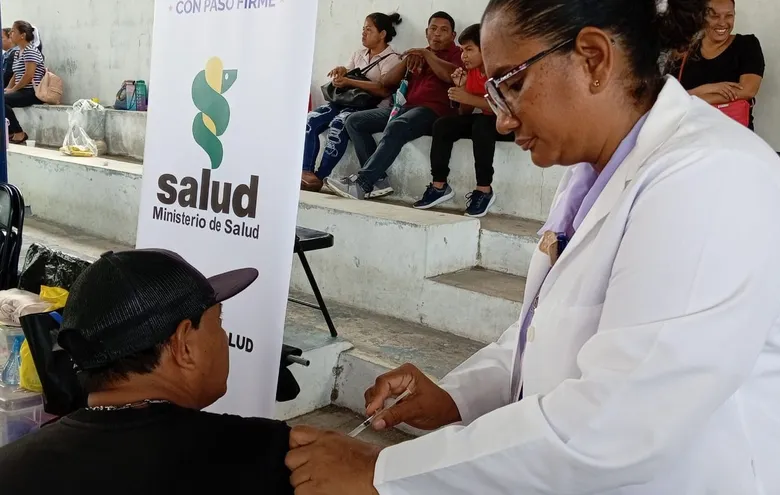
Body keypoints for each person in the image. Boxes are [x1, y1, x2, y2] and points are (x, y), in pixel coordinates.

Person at [284, 0, 780, 493]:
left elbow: (619, 424)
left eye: (510, 84)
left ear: (592, 58)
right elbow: (547, 328)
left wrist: (385, 475)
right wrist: (459, 396)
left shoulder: (712, 179)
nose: (499, 115)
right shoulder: (596, 169)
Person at [0, 249, 294, 494]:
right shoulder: (279, 459)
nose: (224, 338)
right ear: (184, 344)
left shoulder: (11, 467)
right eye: (218, 323)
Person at [325, 12, 464, 201]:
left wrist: (426, 54)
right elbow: (385, 83)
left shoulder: (457, 55)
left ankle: (363, 183)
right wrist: (407, 60)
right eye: (433, 29)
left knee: (397, 125)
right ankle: (378, 180)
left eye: (444, 30)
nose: (437, 34)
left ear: (453, 36)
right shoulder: (417, 54)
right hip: (405, 108)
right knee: (354, 121)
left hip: (434, 112)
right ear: (426, 32)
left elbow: (449, 76)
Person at [413, 23, 514, 218]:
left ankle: (484, 190)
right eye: (462, 50)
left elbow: (507, 109)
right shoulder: (473, 72)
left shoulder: (503, 72)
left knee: (482, 125)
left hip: (512, 125)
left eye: (469, 50)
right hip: (486, 121)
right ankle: (439, 186)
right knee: (443, 124)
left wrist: (469, 98)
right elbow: (464, 112)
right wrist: (463, 89)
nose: (463, 56)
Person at [301, 12, 403, 192]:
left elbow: (384, 89)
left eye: (369, 30)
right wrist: (342, 73)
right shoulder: (359, 54)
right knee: (310, 119)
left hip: (369, 107)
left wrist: (349, 81)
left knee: (339, 124)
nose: (363, 33)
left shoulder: (392, 57)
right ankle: (305, 172)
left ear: (382, 34)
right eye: (363, 29)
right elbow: (348, 73)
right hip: (344, 102)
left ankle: (320, 176)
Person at [672, 0, 765, 129]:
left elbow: (748, 90)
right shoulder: (684, 52)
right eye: (714, 16)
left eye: (729, 15)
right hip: (690, 138)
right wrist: (707, 89)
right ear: (702, 17)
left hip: (735, 138)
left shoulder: (747, 45)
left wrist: (692, 99)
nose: (722, 22)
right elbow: (671, 98)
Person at [5, 21, 46, 145]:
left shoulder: (30, 51)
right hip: (22, 90)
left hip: (32, 92)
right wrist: (8, 88)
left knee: (2, 101)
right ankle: (11, 131)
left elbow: (28, 75)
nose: (10, 33)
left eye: (13, 31)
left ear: (22, 35)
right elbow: (16, 74)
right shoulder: (18, 52)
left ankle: (18, 132)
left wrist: (13, 90)